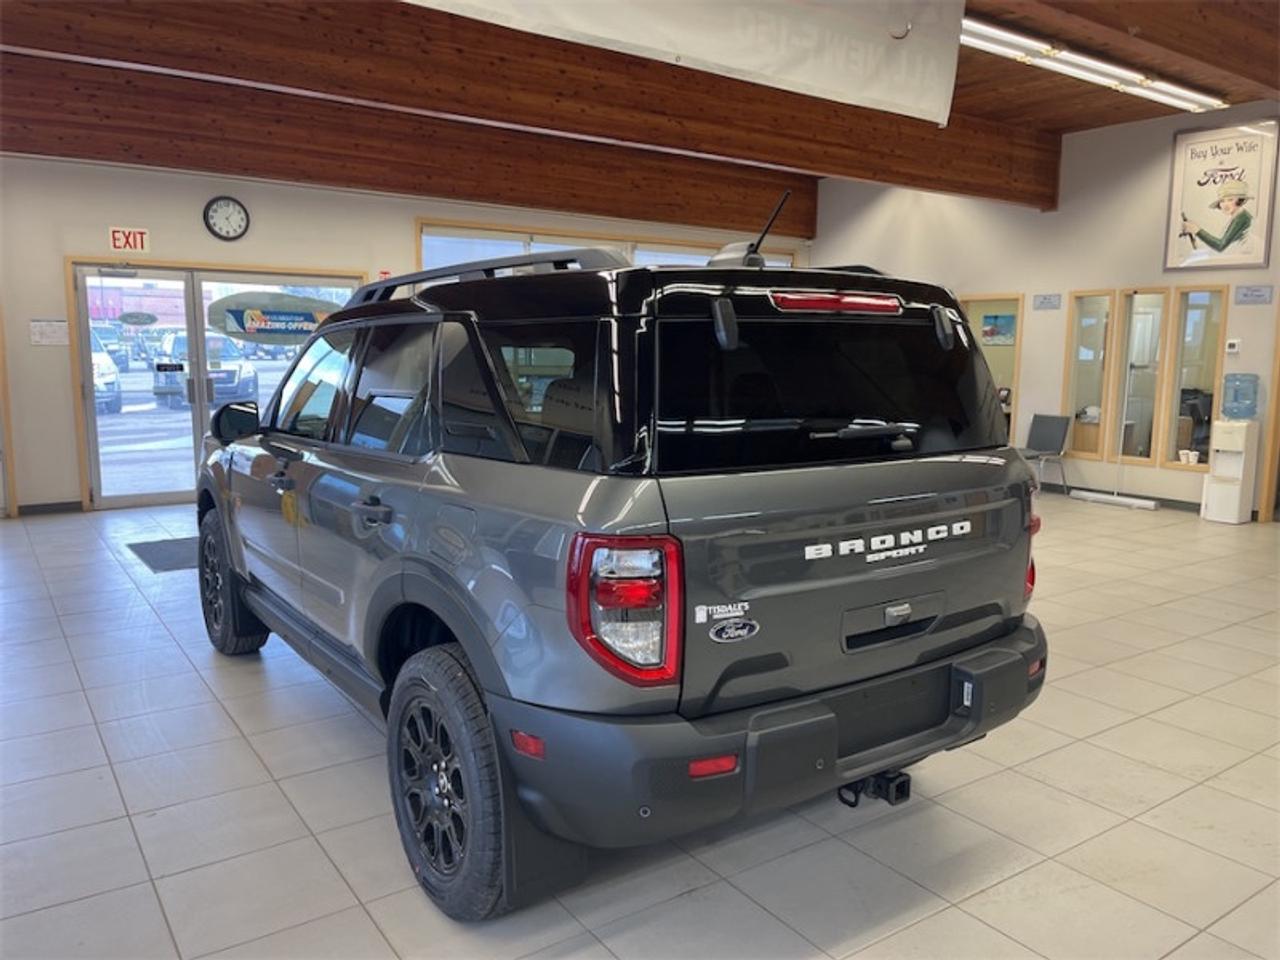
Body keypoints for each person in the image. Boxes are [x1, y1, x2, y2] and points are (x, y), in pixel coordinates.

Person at [1182, 181, 1253, 253]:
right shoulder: (1238, 216)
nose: (1225, 205)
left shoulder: (1242, 218)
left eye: (1230, 200)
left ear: (1240, 200)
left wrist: (1197, 231)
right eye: (1222, 201)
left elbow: (1220, 246)